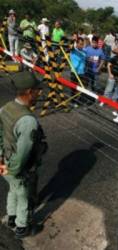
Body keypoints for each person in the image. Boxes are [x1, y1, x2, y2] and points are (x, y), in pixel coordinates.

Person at [0, 72, 46, 238]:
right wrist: (16, 170)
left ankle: (11, 217)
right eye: (36, 90)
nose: (39, 93)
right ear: (28, 91)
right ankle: (22, 226)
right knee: (24, 196)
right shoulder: (28, 121)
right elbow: (23, 152)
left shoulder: (6, 108)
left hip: (4, 161)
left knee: (12, 190)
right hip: (17, 167)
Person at [70, 37, 87, 106]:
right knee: (73, 88)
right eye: (80, 44)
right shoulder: (73, 50)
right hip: (74, 72)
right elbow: (70, 46)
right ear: (76, 44)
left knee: (82, 88)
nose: (81, 46)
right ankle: (72, 102)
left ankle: (78, 100)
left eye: (82, 44)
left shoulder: (84, 52)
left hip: (82, 72)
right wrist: (73, 40)